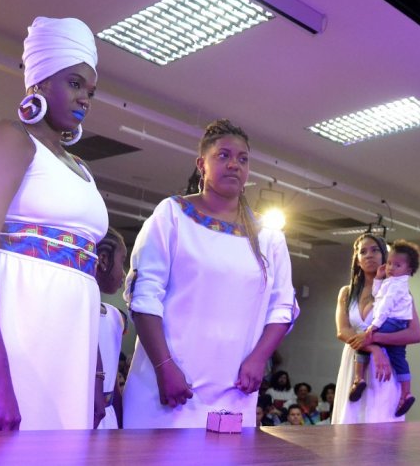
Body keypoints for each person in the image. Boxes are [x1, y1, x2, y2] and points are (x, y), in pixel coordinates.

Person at [0, 17, 107, 431]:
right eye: (75, 83)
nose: (85, 99)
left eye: (90, 91)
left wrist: (94, 373)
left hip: (65, 346)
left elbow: (84, 279)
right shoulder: (5, 138)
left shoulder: (82, 170)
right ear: (39, 81)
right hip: (11, 339)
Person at [122, 119, 298, 429]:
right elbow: (144, 296)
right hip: (169, 384)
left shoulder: (268, 236)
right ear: (201, 164)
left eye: (243, 159)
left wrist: (259, 360)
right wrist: (164, 367)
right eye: (224, 155)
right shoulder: (172, 214)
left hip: (235, 389)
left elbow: (283, 307)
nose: (234, 165)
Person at [332, 234, 420, 424]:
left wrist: (376, 339)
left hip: (385, 367)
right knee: (349, 425)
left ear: (384, 256)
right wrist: (372, 348)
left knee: (380, 428)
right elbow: (343, 330)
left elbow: (415, 334)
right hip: (355, 363)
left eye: (374, 250)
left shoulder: (399, 291)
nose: (369, 255)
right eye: (362, 251)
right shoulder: (346, 292)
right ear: (357, 259)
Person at [93, 228, 128, 429]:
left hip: (109, 418)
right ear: (104, 259)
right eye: (122, 261)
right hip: (78, 412)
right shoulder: (76, 311)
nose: (124, 274)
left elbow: (113, 383)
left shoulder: (116, 317)